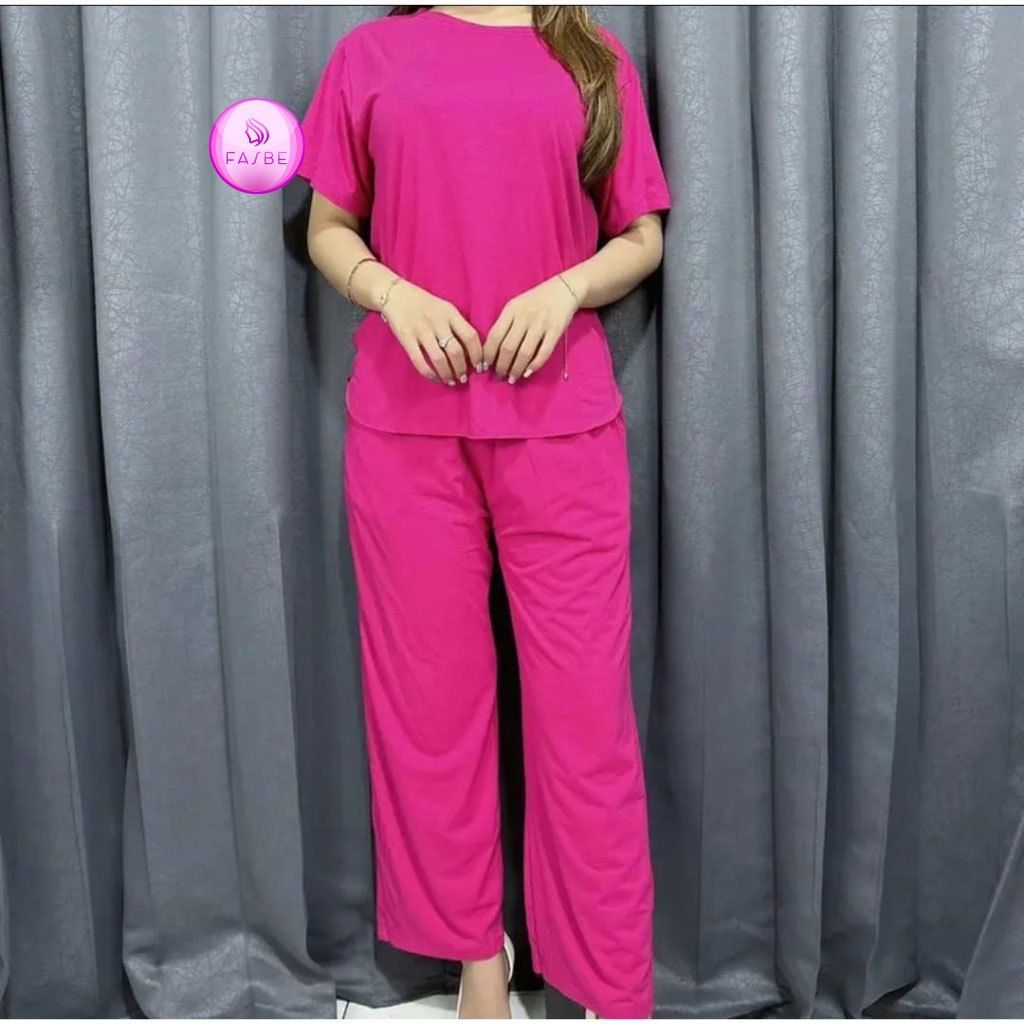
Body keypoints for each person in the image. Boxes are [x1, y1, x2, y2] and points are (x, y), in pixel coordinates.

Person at [297, 5, 672, 1018]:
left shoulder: (590, 55)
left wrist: (568, 289)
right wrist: (391, 293)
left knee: (586, 725)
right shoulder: (370, 56)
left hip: (563, 428)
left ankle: (611, 988)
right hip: (405, 431)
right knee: (429, 714)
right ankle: (477, 962)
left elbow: (642, 235)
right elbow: (326, 227)